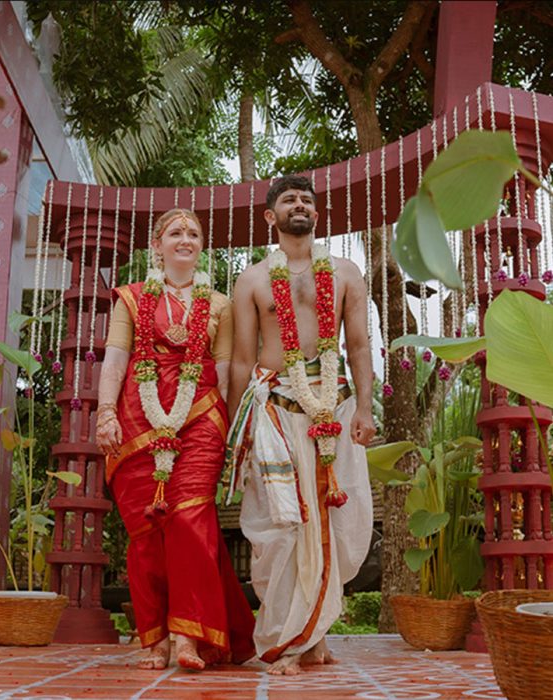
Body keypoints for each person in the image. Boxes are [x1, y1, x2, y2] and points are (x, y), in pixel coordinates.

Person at [226, 175, 375, 675]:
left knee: (333, 522)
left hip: (333, 409)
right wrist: (234, 430)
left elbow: (357, 346)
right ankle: (283, 640)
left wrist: (367, 409)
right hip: (273, 413)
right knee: (279, 528)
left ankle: (314, 637)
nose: (299, 206)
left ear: (316, 215)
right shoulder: (252, 280)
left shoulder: (348, 273)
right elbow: (243, 361)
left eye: (307, 201)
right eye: (289, 200)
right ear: (270, 216)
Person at [96, 208, 256, 672]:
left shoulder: (221, 305)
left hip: (202, 417)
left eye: (193, 233)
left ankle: (189, 635)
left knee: (191, 519)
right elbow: (115, 361)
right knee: (146, 528)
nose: (185, 238)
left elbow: (224, 371)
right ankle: (156, 635)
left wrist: (228, 428)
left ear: (201, 246)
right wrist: (106, 413)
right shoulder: (129, 299)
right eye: (175, 232)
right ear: (158, 245)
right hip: (137, 418)